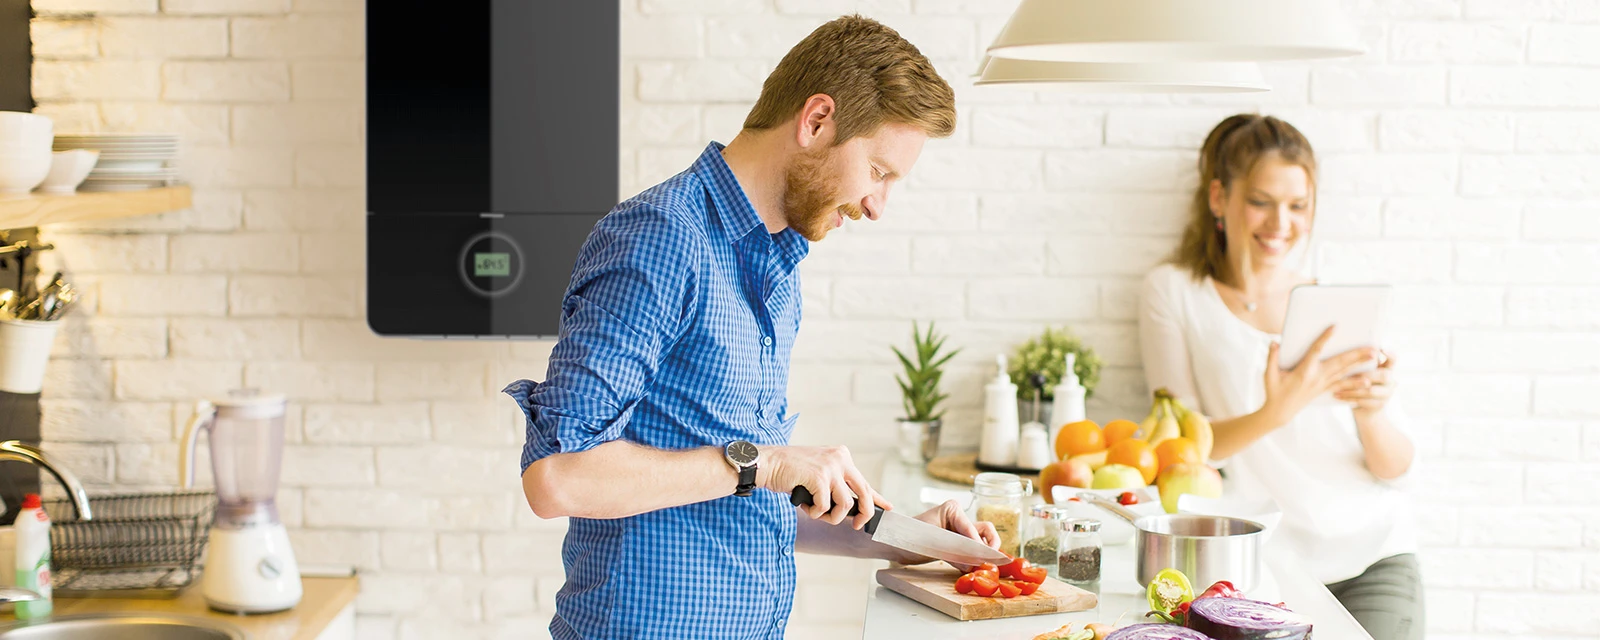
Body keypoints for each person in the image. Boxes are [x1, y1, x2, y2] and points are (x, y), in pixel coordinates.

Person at [505, 15, 1000, 640]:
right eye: (878, 171)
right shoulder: (662, 239)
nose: (878, 206)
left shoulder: (777, 266)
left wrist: (908, 538)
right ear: (817, 120)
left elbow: (737, 498)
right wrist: (762, 462)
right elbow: (557, 479)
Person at [1138, 114, 1424, 640]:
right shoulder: (1176, 292)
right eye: (1261, 201)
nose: (1281, 223)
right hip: (1260, 567)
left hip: (1372, 556)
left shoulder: (1338, 301)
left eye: (1298, 206)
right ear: (1219, 198)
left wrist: (1373, 411)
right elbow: (1180, 450)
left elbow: (1397, 469)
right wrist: (1276, 412)